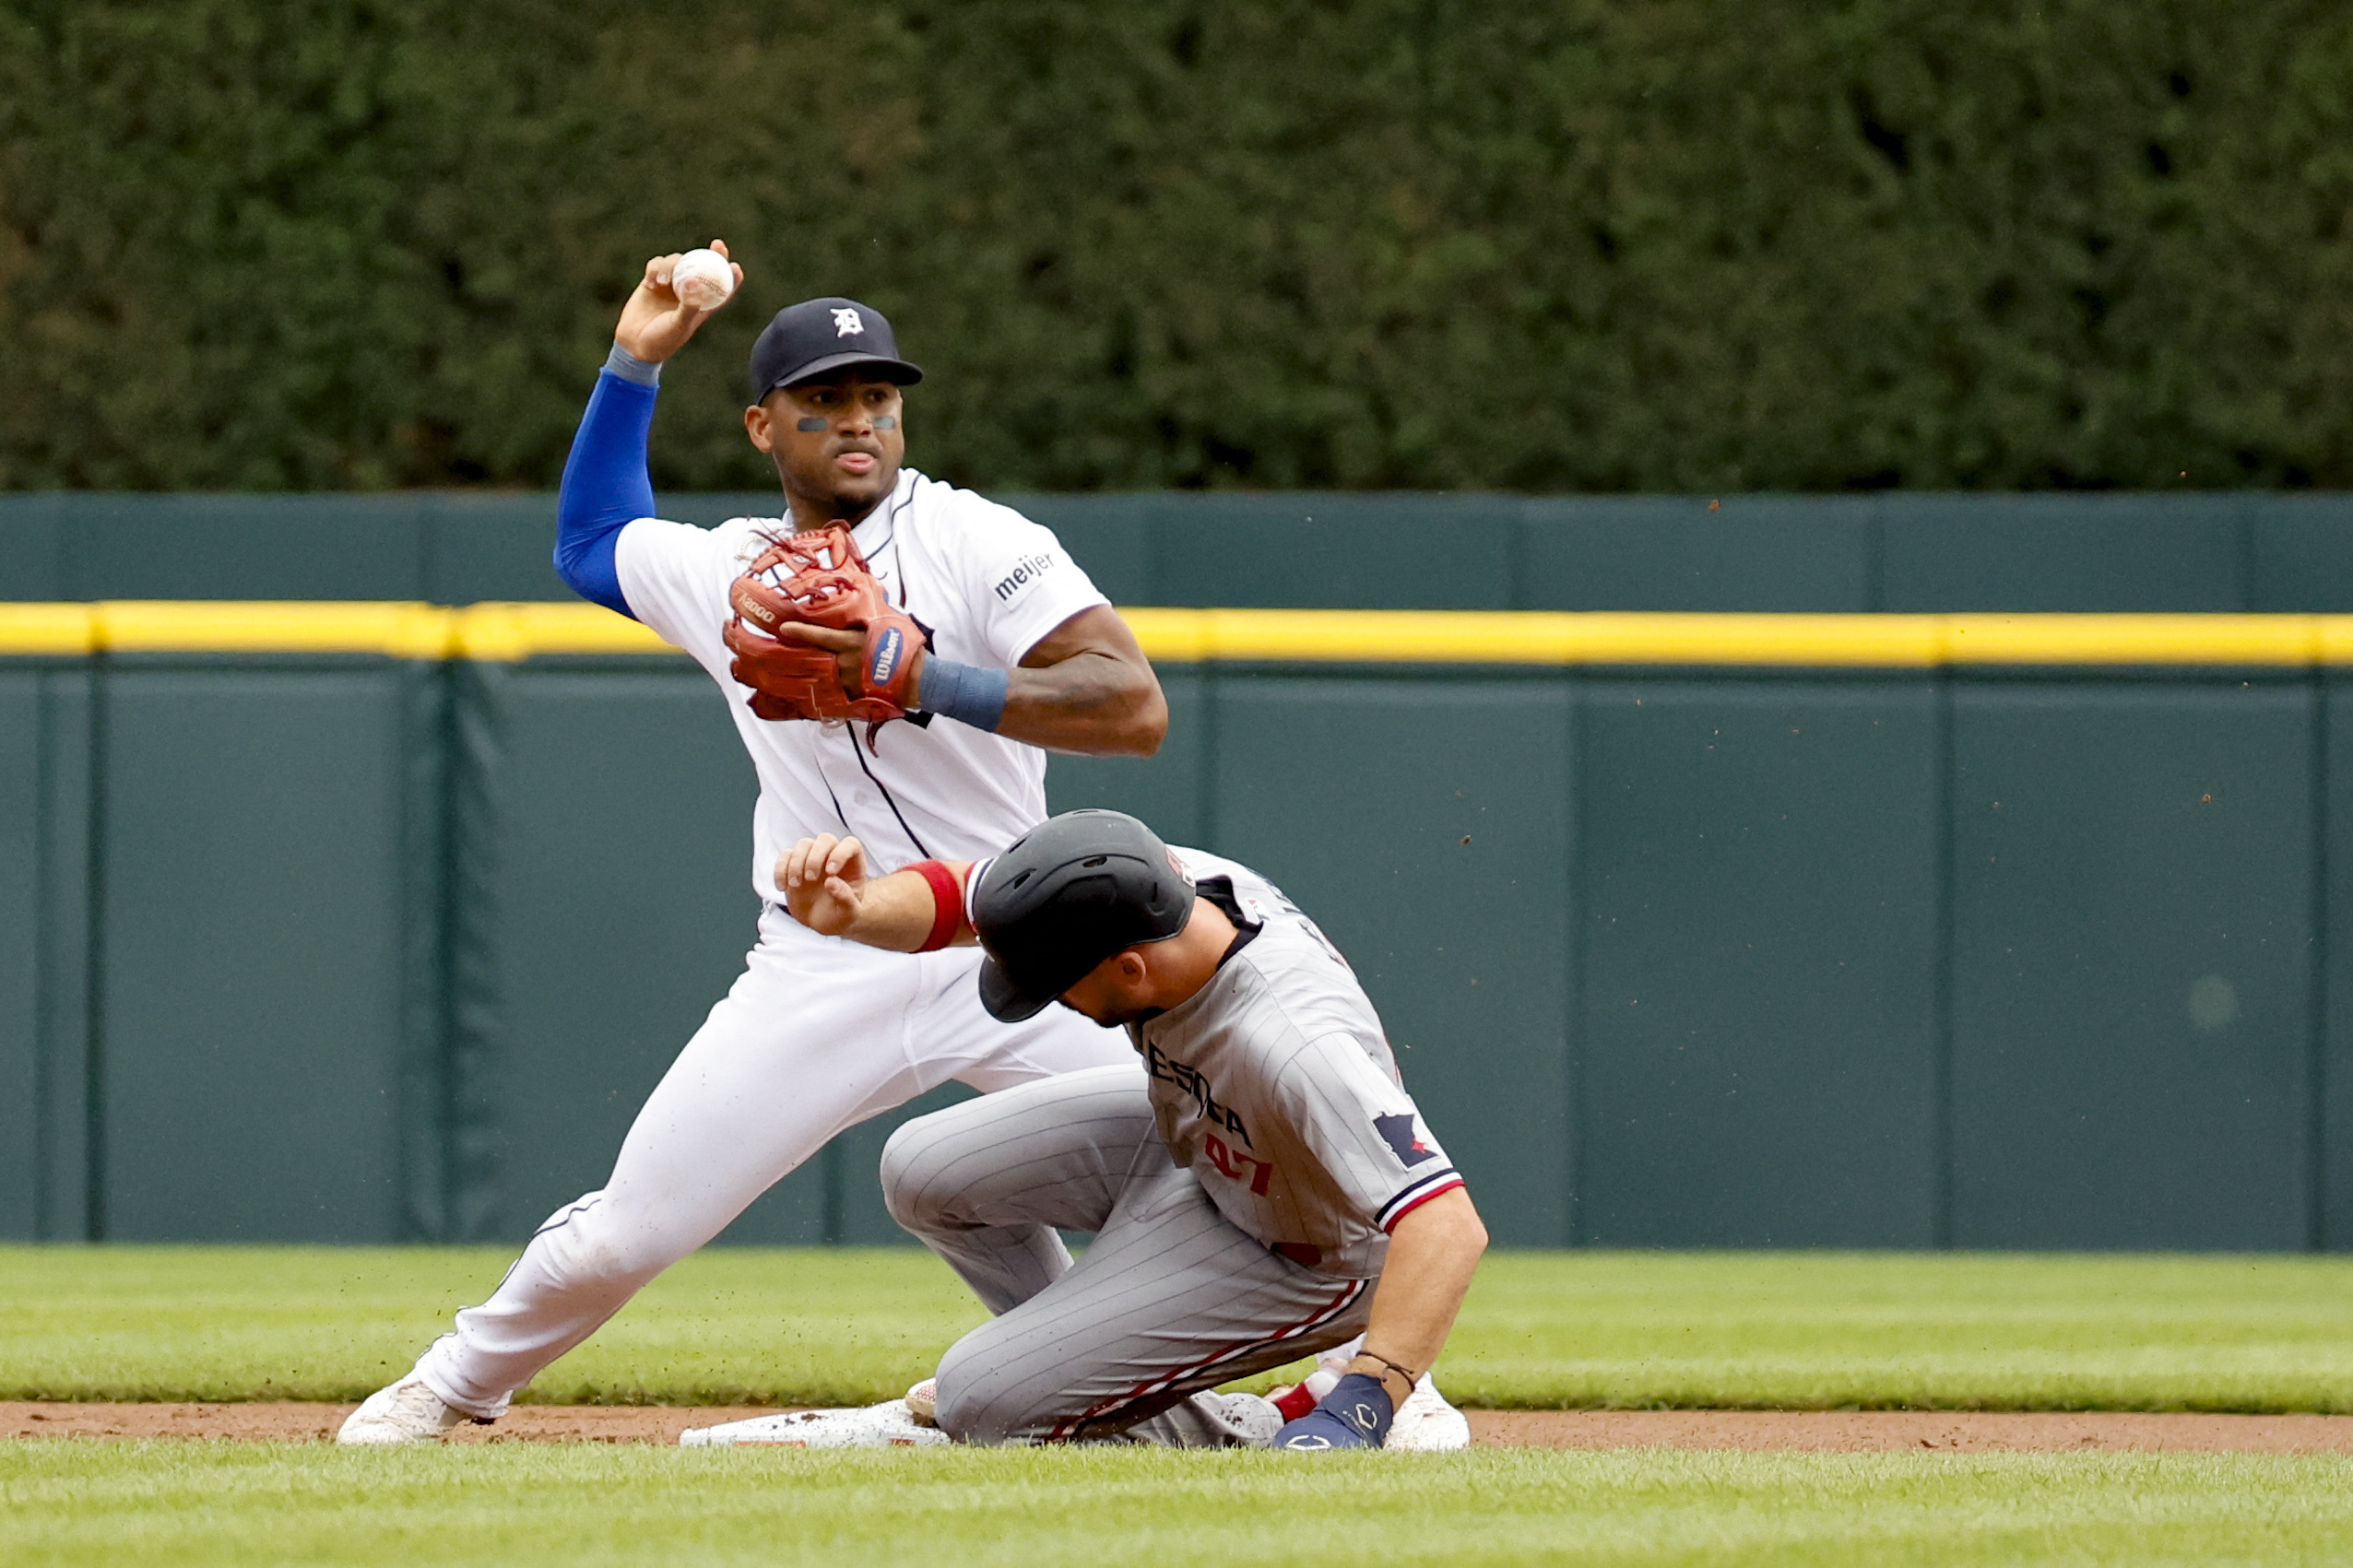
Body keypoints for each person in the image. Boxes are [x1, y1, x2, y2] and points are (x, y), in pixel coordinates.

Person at [341, 242, 1166, 1443]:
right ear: (762, 426)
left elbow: (1128, 704)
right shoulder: (725, 568)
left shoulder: (979, 541)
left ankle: (1383, 1382)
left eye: (876, 398)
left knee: (1238, 1141)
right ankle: (455, 1382)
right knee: (636, 1224)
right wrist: (634, 360)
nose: (857, 421)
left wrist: (925, 675)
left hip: (1015, 947)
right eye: (824, 401)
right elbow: (588, 544)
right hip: (824, 965)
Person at [732, 810, 1488, 1449]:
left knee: (979, 1401)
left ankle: (1239, 1417)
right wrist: (859, 910)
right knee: (919, 1167)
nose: (1052, 998)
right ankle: (1077, 1373)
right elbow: (971, 897)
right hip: (1208, 1143)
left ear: (1130, 969)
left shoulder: (1294, 1042)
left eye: (1060, 984)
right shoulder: (1159, 885)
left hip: (1306, 1249)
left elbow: (1446, 1224)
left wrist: (1366, 1399)